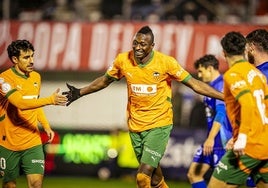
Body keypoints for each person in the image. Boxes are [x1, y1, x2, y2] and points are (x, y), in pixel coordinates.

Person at [63, 26, 223, 188]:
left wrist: (225, 97)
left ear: (152, 46)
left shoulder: (166, 63)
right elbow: (104, 80)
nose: (138, 47)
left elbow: (195, 84)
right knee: (154, 179)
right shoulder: (123, 60)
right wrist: (79, 92)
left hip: (159, 126)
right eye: (135, 43)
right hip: (136, 127)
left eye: (143, 44)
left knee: (142, 177)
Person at [0, 39, 67, 188]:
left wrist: (46, 126)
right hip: (8, 142)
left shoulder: (36, 77)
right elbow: (20, 104)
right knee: (9, 185)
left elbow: (34, 104)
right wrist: (50, 100)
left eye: (32, 56)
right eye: (26, 57)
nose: (31, 61)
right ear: (15, 59)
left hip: (32, 141)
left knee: (36, 184)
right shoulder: (4, 79)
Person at [207, 31, 268, 188]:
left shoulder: (233, 74)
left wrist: (240, 137)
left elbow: (247, 103)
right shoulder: (258, 74)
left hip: (250, 144)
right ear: (244, 50)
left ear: (223, 52)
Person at [187, 54, 233, 188]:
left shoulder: (220, 84)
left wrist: (211, 138)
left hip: (220, 140)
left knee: (221, 184)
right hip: (212, 138)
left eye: (201, 71)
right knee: (193, 174)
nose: (199, 76)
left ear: (210, 68)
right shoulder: (211, 86)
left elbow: (221, 112)